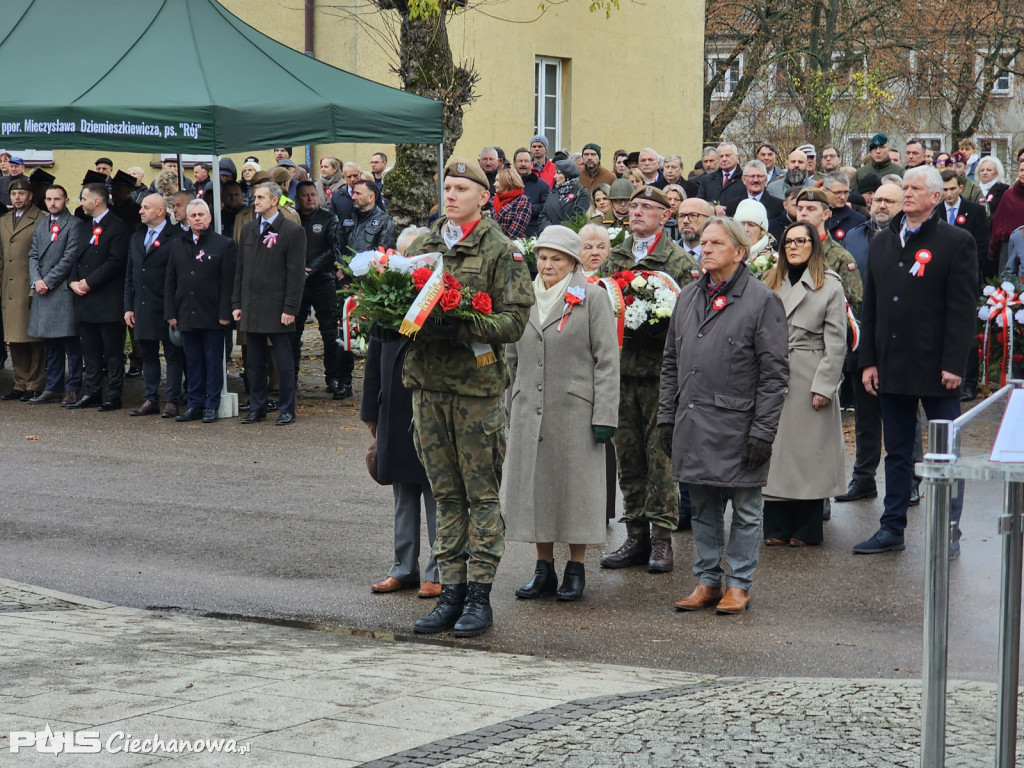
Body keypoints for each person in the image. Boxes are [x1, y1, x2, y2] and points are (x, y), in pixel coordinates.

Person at [404, 157, 534, 638]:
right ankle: (450, 592)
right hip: (428, 387)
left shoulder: (503, 250)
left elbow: (515, 322)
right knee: (444, 494)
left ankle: (479, 597)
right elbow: (402, 304)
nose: (452, 195)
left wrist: (464, 323)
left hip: (476, 392)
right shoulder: (425, 246)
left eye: (462, 188)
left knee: (480, 496)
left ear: (484, 197)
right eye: (448, 187)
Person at [659, 216, 789, 614]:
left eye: (715, 243)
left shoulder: (762, 300)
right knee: (702, 506)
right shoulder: (688, 296)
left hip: (740, 424)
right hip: (694, 421)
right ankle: (708, 580)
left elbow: (774, 373)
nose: (705, 248)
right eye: (702, 242)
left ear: (739, 252)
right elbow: (670, 362)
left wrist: (763, 431)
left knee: (747, 508)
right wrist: (666, 415)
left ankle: (739, 583)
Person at [856, 166, 977, 557]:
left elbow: (962, 309)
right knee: (898, 452)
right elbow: (871, 306)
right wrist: (868, 361)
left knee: (945, 456)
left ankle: (948, 532)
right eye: (903, 187)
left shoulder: (956, 242)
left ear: (935, 197)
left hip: (938, 370)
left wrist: (955, 364)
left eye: (914, 188)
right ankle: (891, 528)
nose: (906, 193)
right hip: (891, 366)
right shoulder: (883, 242)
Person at [506, 226, 619, 602]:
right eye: (542, 257)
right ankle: (543, 569)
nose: (548, 264)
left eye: (557, 258)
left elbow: (607, 360)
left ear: (573, 262)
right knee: (537, 489)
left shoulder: (591, 297)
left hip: (575, 412)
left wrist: (605, 414)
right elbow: (510, 357)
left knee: (576, 491)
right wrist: (510, 403)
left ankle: (575, 568)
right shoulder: (523, 297)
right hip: (528, 410)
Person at [598, 186, 701, 574]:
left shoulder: (676, 260)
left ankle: (662, 539)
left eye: (647, 207)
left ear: (664, 214)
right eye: (634, 206)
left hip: (661, 374)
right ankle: (636, 533)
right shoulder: (617, 256)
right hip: (623, 373)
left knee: (660, 458)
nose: (637, 212)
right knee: (628, 456)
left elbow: (690, 316)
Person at [362, 226, 440, 599]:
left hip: (430, 410)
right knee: (402, 494)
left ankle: (439, 571)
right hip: (393, 408)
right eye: (403, 257)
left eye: (417, 258)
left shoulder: (438, 302)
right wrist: (370, 414)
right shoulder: (385, 302)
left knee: (436, 494)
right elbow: (373, 361)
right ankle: (403, 567)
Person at [760, 222, 847, 547]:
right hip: (772, 374)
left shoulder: (829, 286)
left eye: (801, 241)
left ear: (814, 245)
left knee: (810, 454)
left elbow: (836, 342)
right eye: (788, 242)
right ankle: (776, 527)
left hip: (809, 373)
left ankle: (807, 528)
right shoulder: (769, 281)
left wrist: (824, 385)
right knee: (776, 453)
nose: (793, 247)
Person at [232, 182, 306, 425]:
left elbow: (295, 275)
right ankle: (257, 407)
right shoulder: (250, 229)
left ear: (275, 201)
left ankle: (287, 408)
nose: (256, 201)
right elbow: (240, 270)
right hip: (252, 305)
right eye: (255, 197)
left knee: (283, 362)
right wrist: (237, 303)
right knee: (254, 362)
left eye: (261, 197)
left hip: (277, 307)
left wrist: (290, 308)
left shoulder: (292, 231)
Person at [165, 199, 236, 423]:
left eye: (201, 215)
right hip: (186, 312)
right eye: (193, 215)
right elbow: (170, 280)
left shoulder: (223, 244)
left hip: (213, 314)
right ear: (187, 219)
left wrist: (226, 313)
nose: (197, 218)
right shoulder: (177, 244)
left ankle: (211, 405)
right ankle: (194, 403)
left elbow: (228, 283)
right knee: (192, 361)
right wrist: (171, 312)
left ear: (209, 218)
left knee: (213, 361)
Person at [66, 183, 130, 412]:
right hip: (84, 299)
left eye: (83, 198)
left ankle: (114, 395)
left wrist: (89, 282)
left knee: (112, 352)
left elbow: (115, 262)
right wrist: (73, 281)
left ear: (97, 201)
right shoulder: (84, 227)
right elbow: (74, 256)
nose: (80, 203)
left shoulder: (118, 227)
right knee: (90, 351)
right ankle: (92, 391)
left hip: (107, 300)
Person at [123, 194, 185, 417]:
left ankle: (172, 400)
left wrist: (175, 309)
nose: (141, 211)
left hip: (168, 307)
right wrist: (128, 307)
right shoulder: (137, 237)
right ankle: (150, 399)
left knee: (173, 356)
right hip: (142, 306)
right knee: (148, 355)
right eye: (141, 207)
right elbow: (130, 275)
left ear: (161, 211)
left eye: (146, 207)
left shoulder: (176, 236)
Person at [27, 186, 84, 405]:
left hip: (61, 291)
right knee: (51, 345)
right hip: (42, 289)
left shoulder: (74, 225)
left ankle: (73, 388)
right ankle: (53, 387)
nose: (52, 203)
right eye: (49, 199)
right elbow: (33, 254)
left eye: (57, 199)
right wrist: (36, 280)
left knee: (71, 343)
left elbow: (69, 258)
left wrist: (48, 281)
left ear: (66, 200)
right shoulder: (42, 224)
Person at [293, 180, 344, 397]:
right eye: (305, 195)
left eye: (313, 194)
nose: (310, 198)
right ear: (298, 197)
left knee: (330, 333)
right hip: (297, 283)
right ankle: (291, 377)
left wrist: (311, 269)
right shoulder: (293, 219)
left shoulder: (328, 218)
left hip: (323, 280)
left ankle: (332, 377)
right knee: (293, 333)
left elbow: (333, 249)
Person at [0, 179, 46, 401]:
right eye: (14, 194)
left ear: (31, 196)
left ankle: (35, 383)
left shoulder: (42, 219)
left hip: (30, 284)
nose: (17, 198)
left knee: (33, 338)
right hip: (8, 286)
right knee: (14, 338)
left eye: (21, 193)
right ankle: (20, 383)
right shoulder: (4, 221)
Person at [988, 157, 1024, 275]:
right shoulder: (1009, 195)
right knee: (1007, 283)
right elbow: (999, 223)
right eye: (1021, 170)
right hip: (1009, 248)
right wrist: (993, 247)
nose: (1023, 173)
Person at [539, 159, 591, 230]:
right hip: (550, 236)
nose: (554, 176)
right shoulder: (553, 193)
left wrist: (558, 230)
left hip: (570, 236)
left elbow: (578, 217)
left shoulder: (581, 193)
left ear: (567, 175)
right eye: (555, 173)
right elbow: (543, 216)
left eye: (558, 173)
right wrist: (549, 229)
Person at [512, 148, 550, 237]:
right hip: (510, 235)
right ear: (514, 164)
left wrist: (526, 208)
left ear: (532, 163)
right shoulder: (507, 184)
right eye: (520, 161)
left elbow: (547, 207)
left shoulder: (542, 186)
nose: (523, 164)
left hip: (532, 234)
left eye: (526, 161)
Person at [491, 168, 532, 240]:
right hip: (490, 244)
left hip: (511, 246)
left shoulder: (523, 201)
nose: (494, 184)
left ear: (506, 181)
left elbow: (515, 231)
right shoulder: (493, 200)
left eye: (497, 180)